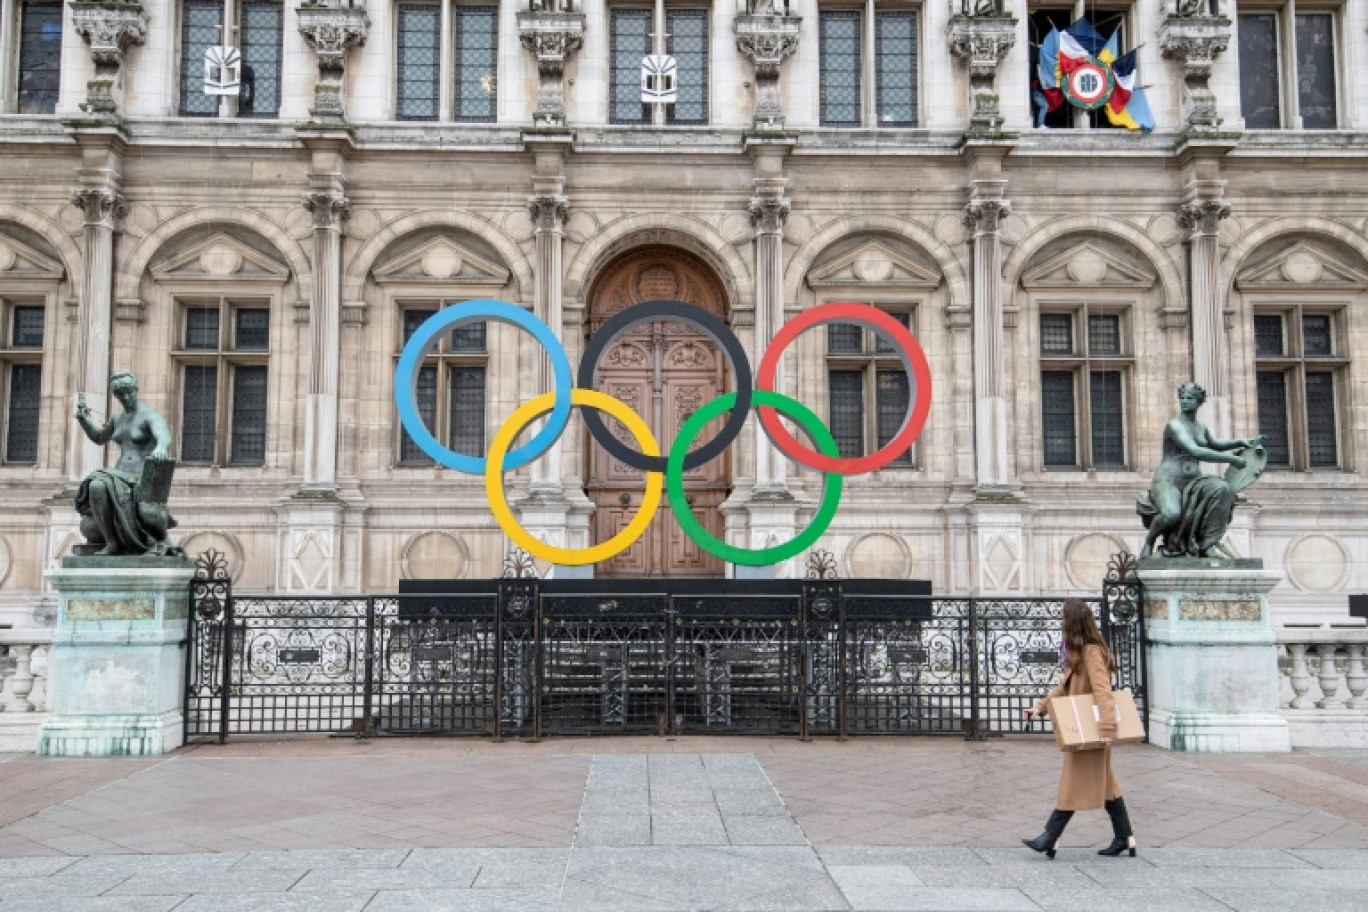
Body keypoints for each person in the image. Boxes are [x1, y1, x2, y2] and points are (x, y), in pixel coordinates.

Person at [1021, 599, 1136, 859]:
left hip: (1092, 730)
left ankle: (1050, 836)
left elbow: (1103, 691)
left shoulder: (1092, 652)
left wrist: (1108, 728)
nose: (1061, 623)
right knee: (1108, 787)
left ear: (1074, 622)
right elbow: (1062, 687)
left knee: (1072, 785)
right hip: (1085, 729)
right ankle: (1124, 837)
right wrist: (1039, 708)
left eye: (1064, 618)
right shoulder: (1079, 651)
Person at [1137, 382, 1263, 559]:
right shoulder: (1175, 426)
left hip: (1193, 480)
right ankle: (1149, 541)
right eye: (1182, 398)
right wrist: (1232, 459)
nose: (1185, 402)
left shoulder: (1200, 427)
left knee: (1222, 489)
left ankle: (1208, 544)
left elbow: (1214, 444)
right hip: (1169, 481)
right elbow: (1195, 450)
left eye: (1190, 398)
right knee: (1172, 514)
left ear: (1199, 402)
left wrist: (1239, 442)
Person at [73, 371, 182, 557]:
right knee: (96, 485)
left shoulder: (150, 416)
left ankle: (157, 538)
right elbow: (100, 438)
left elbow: (164, 436)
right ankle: (111, 542)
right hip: (119, 473)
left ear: (136, 389)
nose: (126, 396)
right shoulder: (117, 418)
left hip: (141, 476)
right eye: (120, 393)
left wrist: (161, 448)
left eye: (129, 391)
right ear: (115, 395)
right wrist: (84, 420)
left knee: (145, 510)